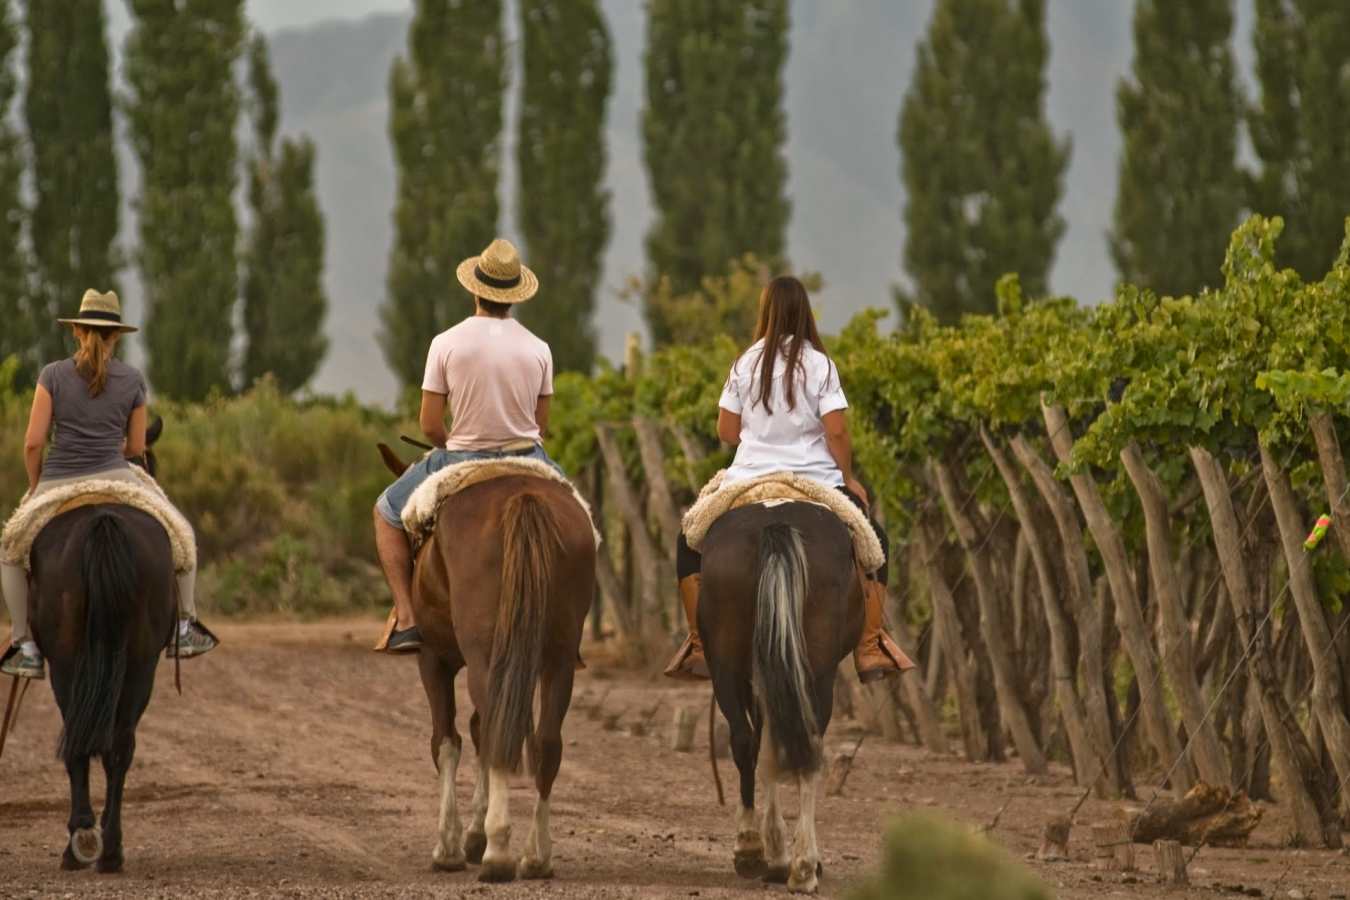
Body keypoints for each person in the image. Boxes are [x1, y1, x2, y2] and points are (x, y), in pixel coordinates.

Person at [664, 275, 908, 683]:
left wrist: (763, 438)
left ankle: (698, 641)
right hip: (815, 479)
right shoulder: (821, 365)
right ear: (805, 313)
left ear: (766, 312)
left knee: (687, 540)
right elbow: (837, 432)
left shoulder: (744, 363)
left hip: (749, 478)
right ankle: (870, 644)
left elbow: (726, 431)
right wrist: (849, 478)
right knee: (875, 540)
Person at [1, 290, 218, 680]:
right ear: (116, 335)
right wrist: (107, 446)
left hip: (58, 480)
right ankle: (186, 625)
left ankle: (24, 645)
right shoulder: (132, 380)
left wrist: (36, 486)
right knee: (182, 536)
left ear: (76, 331)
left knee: (9, 551)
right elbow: (135, 448)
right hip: (118, 476)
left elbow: (33, 443)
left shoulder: (52, 375)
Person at [374, 238, 562, 653]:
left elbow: (429, 424)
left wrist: (453, 446)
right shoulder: (540, 349)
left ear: (475, 290)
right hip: (527, 457)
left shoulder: (445, 343)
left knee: (386, 513)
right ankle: (566, 630)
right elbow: (540, 425)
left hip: (461, 457)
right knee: (580, 519)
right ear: (515, 296)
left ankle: (405, 617)